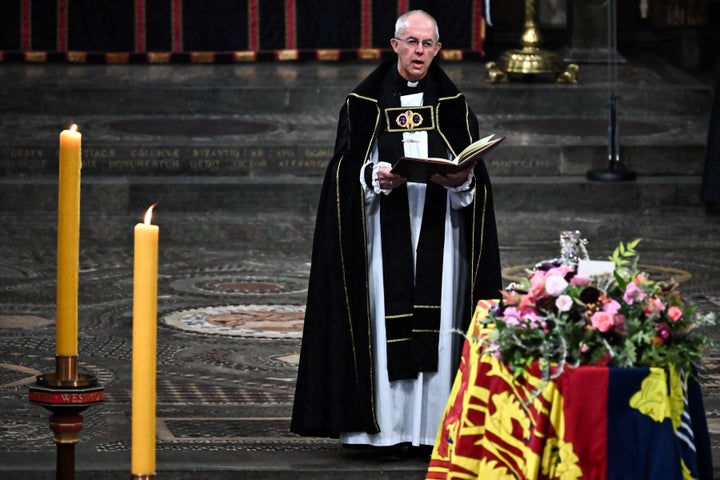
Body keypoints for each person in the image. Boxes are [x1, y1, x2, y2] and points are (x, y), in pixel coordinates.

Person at [291, 10, 502, 449]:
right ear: (395, 46)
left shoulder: (453, 106)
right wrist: (374, 179)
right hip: (381, 241)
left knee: (439, 328)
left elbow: (473, 179)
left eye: (428, 44)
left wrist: (462, 182)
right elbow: (342, 176)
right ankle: (381, 434)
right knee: (383, 330)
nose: (419, 52)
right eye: (411, 42)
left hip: (438, 236)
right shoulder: (364, 104)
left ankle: (430, 431)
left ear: (438, 50)